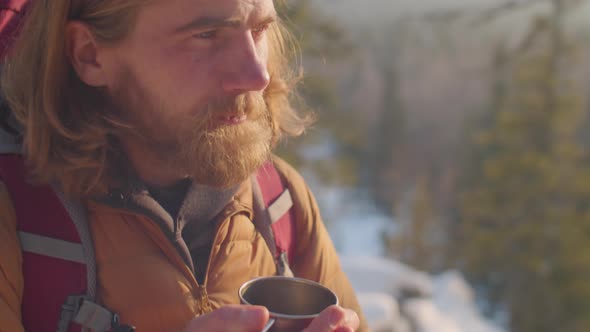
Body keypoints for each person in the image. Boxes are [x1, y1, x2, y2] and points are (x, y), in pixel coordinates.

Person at [0, 0, 368, 331]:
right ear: (90, 55)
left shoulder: (279, 200)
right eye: (206, 35)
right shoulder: (18, 212)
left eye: (259, 30)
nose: (257, 75)